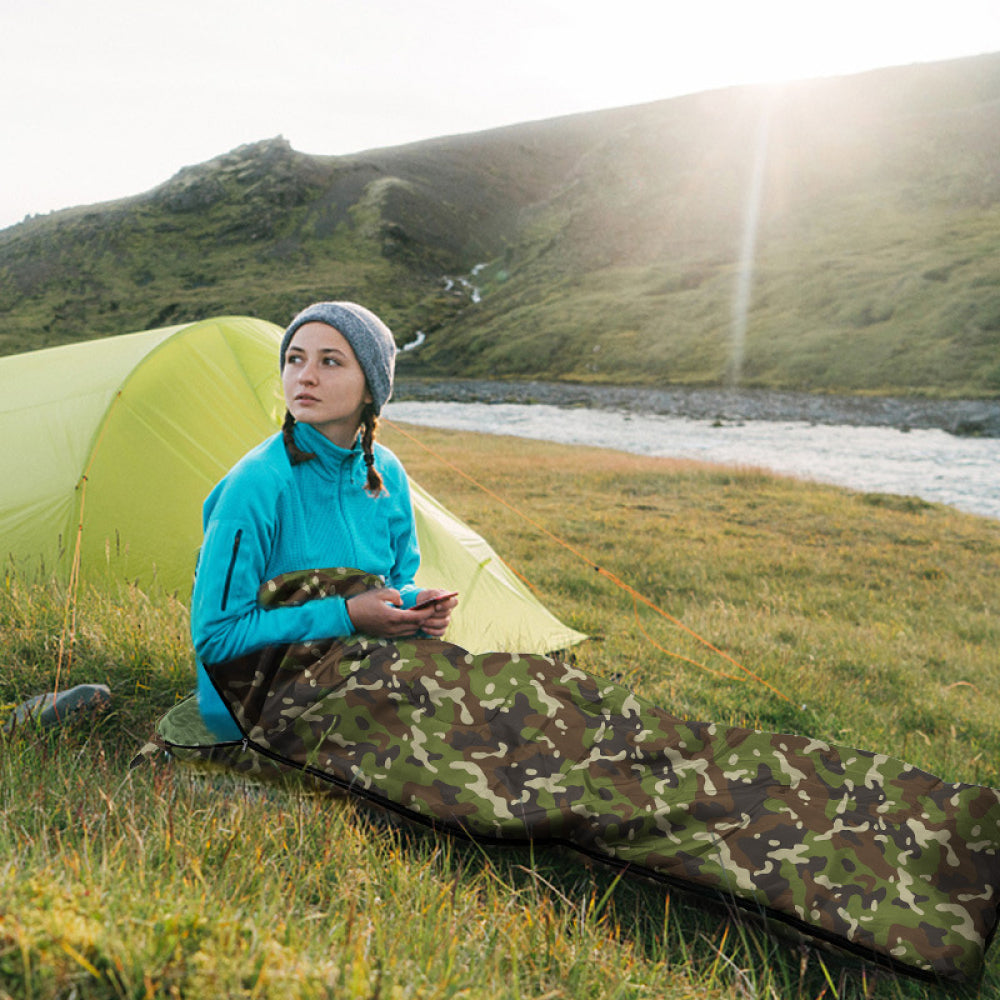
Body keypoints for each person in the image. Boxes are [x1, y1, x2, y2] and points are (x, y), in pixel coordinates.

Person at [190, 301, 458, 740]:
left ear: (370, 389)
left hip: (357, 670)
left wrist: (415, 609)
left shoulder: (385, 473)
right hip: (254, 696)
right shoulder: (257, 483)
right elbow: (218, 639)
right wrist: (348, 615)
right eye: (295, 359)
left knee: (486, 703)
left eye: (329, 361)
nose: (305, 376)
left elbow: (395, 579)